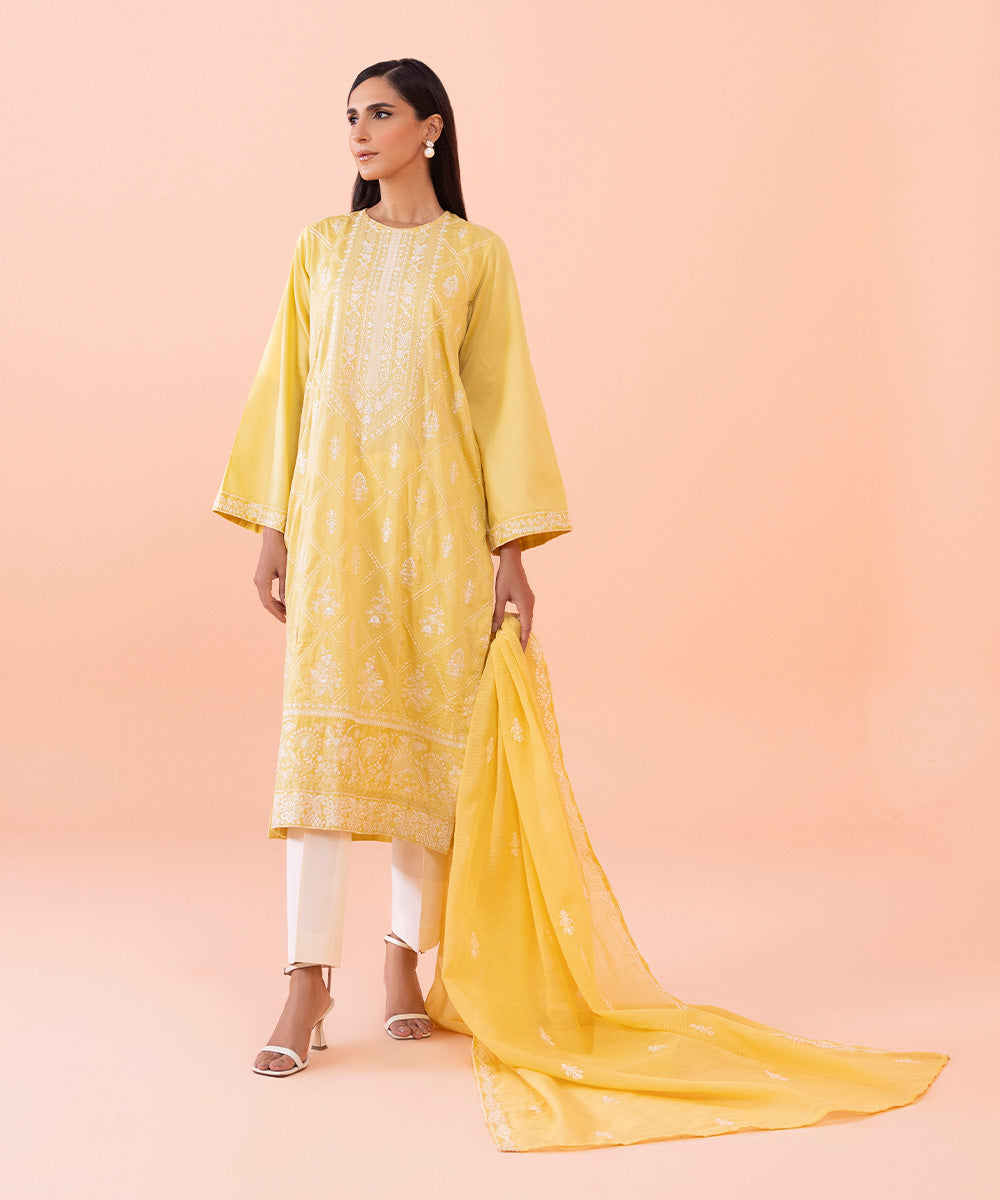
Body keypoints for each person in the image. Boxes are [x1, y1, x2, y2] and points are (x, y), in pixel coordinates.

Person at [211, 58, 572, 1076]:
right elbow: (286, 387)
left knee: (431, 751)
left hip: (442, 532)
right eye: (351, 117)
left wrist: (511, 555)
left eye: (380, 113)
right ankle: (306, 980)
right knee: (322, 756)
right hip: (335, 530)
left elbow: (502, 403)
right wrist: (272, 528)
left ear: (431, 128)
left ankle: (402, 959)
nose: (360, 133)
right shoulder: (322, 248)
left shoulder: (476, 256)